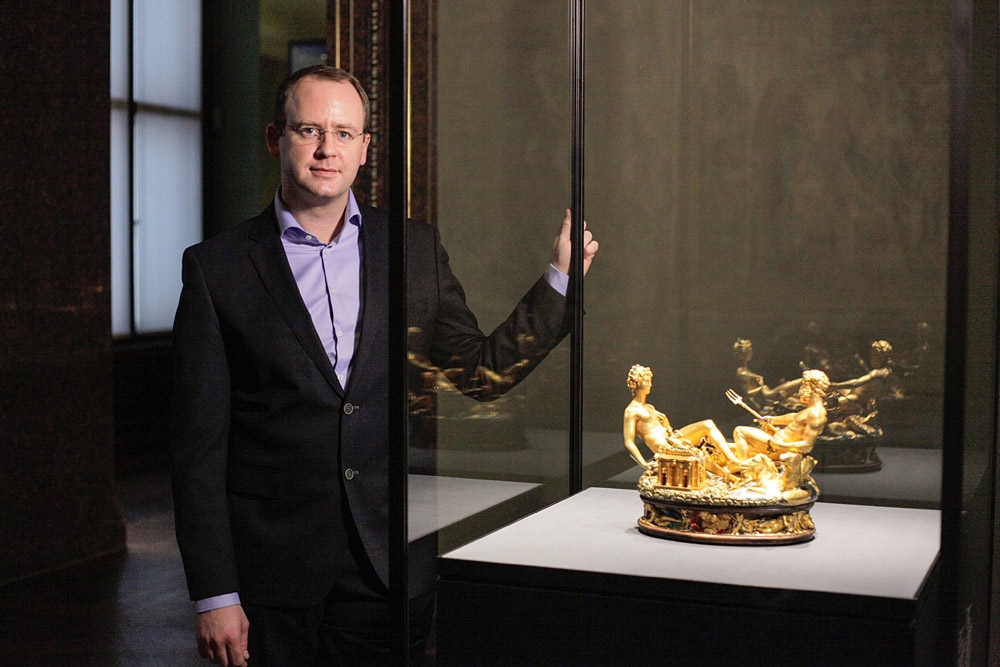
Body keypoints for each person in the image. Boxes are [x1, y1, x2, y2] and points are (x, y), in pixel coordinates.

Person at [171, 65, 598, 667]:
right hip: (271, 580)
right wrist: (215, 593)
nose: (327, 149)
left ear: (365, 148)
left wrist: (557, 284)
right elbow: (198, 449)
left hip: (389, 567)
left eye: (344, 133)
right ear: (275, 139)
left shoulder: (413, 249)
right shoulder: (217, 268)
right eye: (309, 130)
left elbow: (481, 374)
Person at [621, 365, 729, 473]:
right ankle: (729, 467)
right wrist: (644, 463)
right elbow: (629, 443)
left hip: (672, 438)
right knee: (702, 446)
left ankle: (731, 461)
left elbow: (666, 428)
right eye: (646, 381)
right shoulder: (631, 411)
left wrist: (668, 426)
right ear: (636, 383)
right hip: (665, 448)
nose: (650, 384)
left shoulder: (650, 407)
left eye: (650, 381)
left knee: (709, 426)